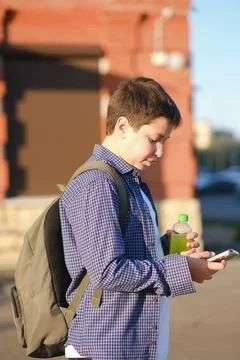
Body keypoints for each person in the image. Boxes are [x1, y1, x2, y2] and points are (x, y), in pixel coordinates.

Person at [59, 77, 225, 360]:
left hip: (128, 341)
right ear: (123, 126)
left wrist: (164, 244)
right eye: (153, 139)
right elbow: (109, 271)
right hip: (105, 346)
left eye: (165, 141)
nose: (160, 152)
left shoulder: (129, 181)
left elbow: (121, 250)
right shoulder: (98, 183)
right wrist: (184, 270)